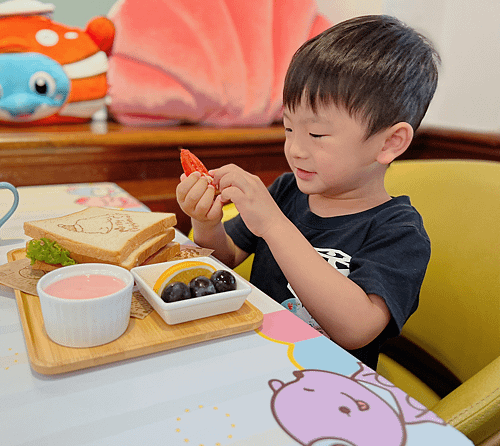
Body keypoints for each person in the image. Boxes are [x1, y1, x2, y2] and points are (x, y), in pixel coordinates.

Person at [176, 15, 440, 370]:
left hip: (331, 389)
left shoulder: (399, 232)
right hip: (256, 360)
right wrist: (206, 222)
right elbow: (225, 260)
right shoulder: (287, 191)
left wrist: (272, 223)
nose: (296, 149)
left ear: (390, 143)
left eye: (316, 134)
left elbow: (356, 328)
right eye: (288, 127)